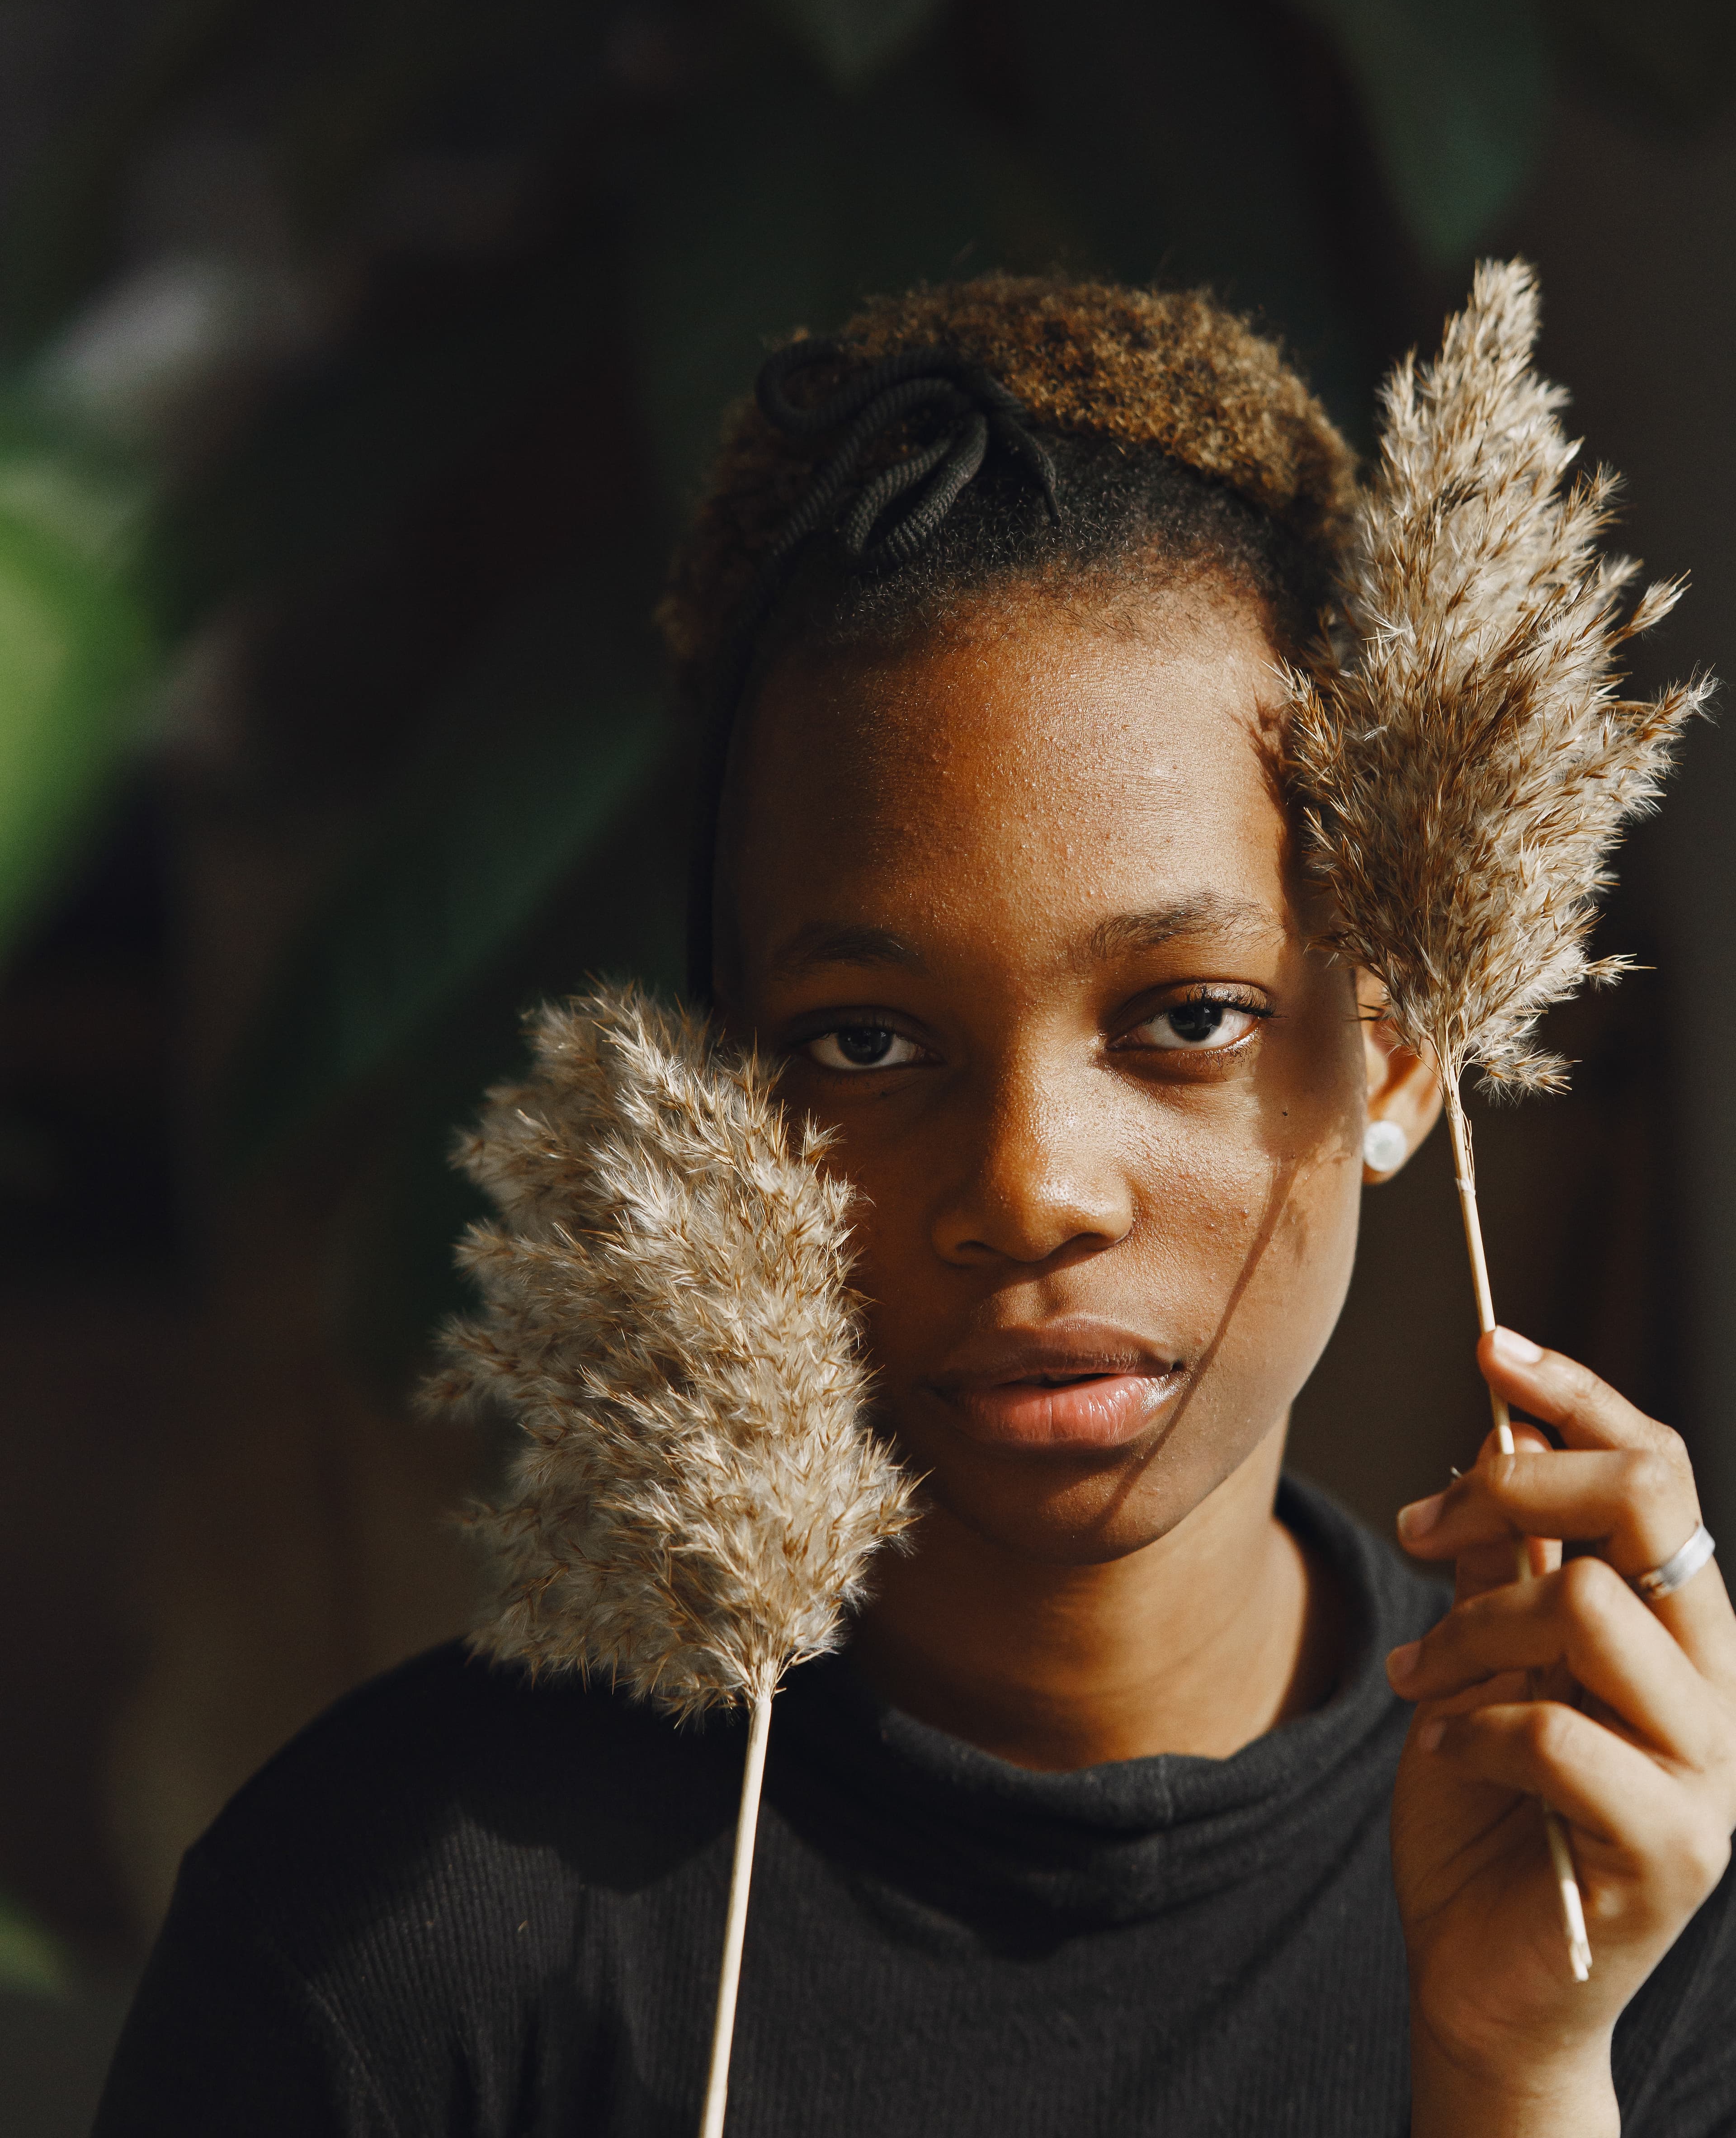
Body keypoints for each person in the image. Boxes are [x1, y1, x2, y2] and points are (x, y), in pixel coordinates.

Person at [96, 275, 1736, 2136]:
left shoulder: (1621, 1892)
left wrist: (1524, 2069)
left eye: (1186, 1018)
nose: (1030, 1186)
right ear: (731, 1102)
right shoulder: (396, 1928)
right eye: (868, 1043)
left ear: (1392, 1054)